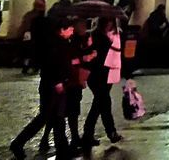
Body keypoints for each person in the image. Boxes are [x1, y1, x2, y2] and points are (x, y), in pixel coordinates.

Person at [11, 17, 77, 159]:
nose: (72, 32)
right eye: (70, 29)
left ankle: (62, 148)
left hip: (57, 85)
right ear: (62, 30)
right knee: (44, 118)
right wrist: (58, 81)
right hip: (51, 87)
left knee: (57, 118)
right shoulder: (54, 44)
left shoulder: (62, 43)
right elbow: (51, 65)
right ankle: (18, 143)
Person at [81, 17, 124, 149]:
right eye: (108, 22)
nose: (110, 23)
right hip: (97, 74)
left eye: (112, 22)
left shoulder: (115, 36)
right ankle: (108, 132)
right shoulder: (96, 35)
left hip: (108, 74)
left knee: (101, 103)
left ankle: (91, 134)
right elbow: (93, 54)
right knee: (102, 102)